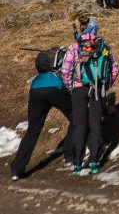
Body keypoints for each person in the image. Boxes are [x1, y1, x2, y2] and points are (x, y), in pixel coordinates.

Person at [61, 26, 119, 176]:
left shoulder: (75, 47)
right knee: (95, 123)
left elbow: (65, 70)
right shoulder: (102, 46)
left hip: (79, 90)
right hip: (97, 88)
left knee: (79, 125)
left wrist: (71, 87)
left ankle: (77, 163)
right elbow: (115, 69)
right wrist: (105, 86)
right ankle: (94, 161)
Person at [10, 48, 74, 181]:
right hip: (56, 88)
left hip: (36, 90)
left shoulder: (36, 79)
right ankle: (69, 154)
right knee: (75, 118)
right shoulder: (57, 74)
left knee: (33, 130)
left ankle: (17, 169)